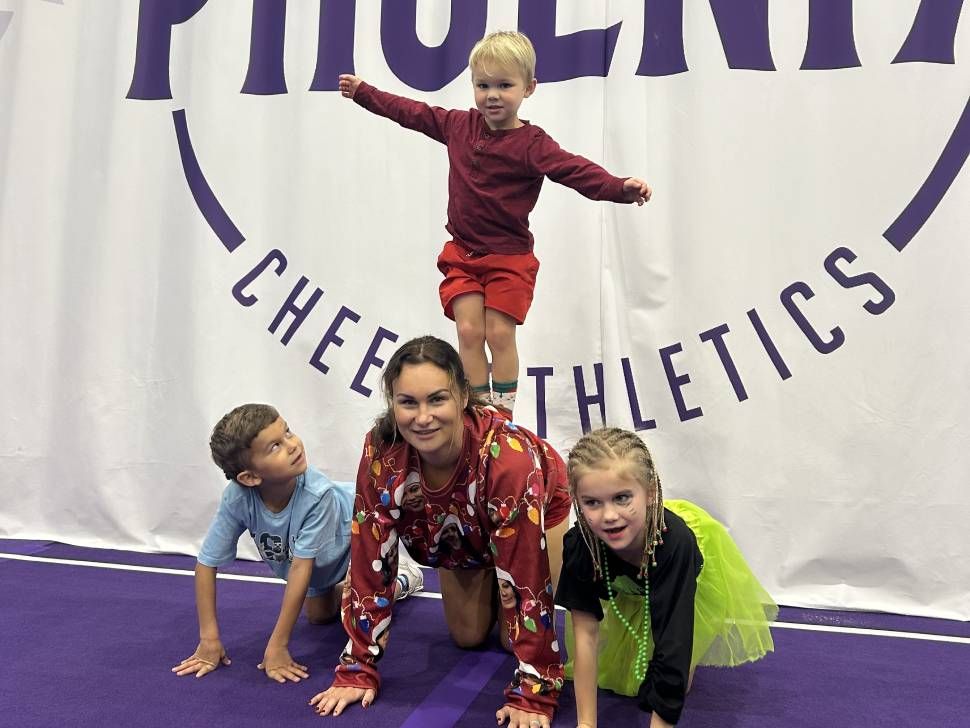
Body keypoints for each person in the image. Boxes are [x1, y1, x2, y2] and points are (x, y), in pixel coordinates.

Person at [338, 31, 651, 418]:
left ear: (529, 88)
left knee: (500, 332)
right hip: (463, 255)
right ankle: (478, 411)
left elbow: (575, 170)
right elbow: (410, 112)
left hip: (509, 259)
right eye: (483, 85)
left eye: (505, 85)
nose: (493, 95)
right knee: (469, 331)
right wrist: (364, 93)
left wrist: (619, 187)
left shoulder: (532, 144)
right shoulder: (458, 126)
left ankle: (503, 415)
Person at [309, 336, 572, 728]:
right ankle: (475, 576)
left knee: (512, 639)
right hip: (456, 527)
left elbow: (526, 575)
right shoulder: (382, 451)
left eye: (437, 400)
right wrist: (357, 668)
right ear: (392, 403)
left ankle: (497, 582)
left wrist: (534, 692)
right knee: (468, 637)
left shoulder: (508, 457)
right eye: (408, 402)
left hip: (533, 511)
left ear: (463, 396)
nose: (423, 417)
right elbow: (369, 557)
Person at [171, 403, 424, 684]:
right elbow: (206, 564)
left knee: (358, 613)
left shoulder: (317, 494)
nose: (292, 445)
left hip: (360, 537)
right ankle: (349, 589)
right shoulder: (237, 498)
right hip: (322, 564)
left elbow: (300, 568)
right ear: (250, 477)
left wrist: (277, 646)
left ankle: (400, 579)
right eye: (275, 446)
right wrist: (209, 639)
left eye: (288, 432)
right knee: (320, 617)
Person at [555, 428, 777, 727]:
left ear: (650, 492)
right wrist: (585, 724)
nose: (609, 516)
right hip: (628, 579)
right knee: (626, 678)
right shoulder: (581, 544)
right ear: (577, 501)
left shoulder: (675, 544)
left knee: (673, 682)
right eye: (592, 502)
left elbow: (674, 645)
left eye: (622, 498)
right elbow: (585, 634)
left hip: (675, 561)